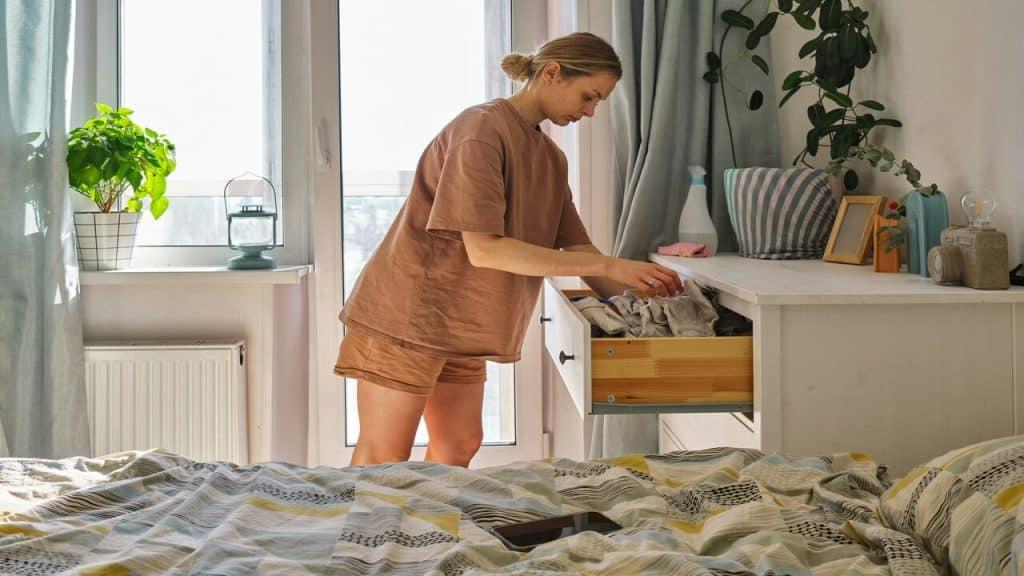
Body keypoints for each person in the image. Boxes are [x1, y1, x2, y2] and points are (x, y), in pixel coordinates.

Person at [335, 32, 683, 468]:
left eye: (599, 102)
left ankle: (427, 532)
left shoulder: (551, 159)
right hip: (409, 313)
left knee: (460, 443)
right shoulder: (480, 130)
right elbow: (485, 249)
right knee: (385, 454)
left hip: (460, 323)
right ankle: (367, 535)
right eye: (589, 96)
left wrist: (649, 304)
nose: (591, 111)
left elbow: (577, 246)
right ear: (553, 73)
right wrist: (609, 264)